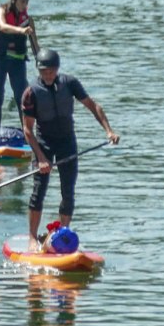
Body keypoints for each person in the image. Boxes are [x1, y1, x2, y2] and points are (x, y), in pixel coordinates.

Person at [20, 48, 118, 250]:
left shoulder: (70, 83)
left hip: (67, 141)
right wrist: (41, 158)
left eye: (52, 70)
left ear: (57, 69)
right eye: (44, 71)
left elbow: (93, 106)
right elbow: (27, 130)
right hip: (43, 143)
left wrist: (109, 131)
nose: (48, 75)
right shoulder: (30, 93)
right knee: (39, 190)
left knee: (68, 191)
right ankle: (31, 237)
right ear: (38, 70)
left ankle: (63, 235)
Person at [0, 0, 38, 130]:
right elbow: (2, 26)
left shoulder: (28, 20)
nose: (25, 5)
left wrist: (40, 60)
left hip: (17, 60)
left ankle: (27, 133)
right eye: (22, 1)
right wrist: (21, 30)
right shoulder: (1, 10)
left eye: (27, 2)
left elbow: (35, 44)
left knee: (22, 98)